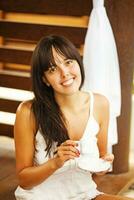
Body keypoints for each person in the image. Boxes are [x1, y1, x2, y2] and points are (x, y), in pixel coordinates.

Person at [14, 35, 132, 200]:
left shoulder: (100, 104)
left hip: (84, 195)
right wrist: (55, 163)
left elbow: (96, 174)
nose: (65, 73)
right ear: (45, 80)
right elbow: (24, 180)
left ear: (78, 62)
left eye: (68, 62)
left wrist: (102, 167)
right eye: (52, 69)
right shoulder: (28, 112)